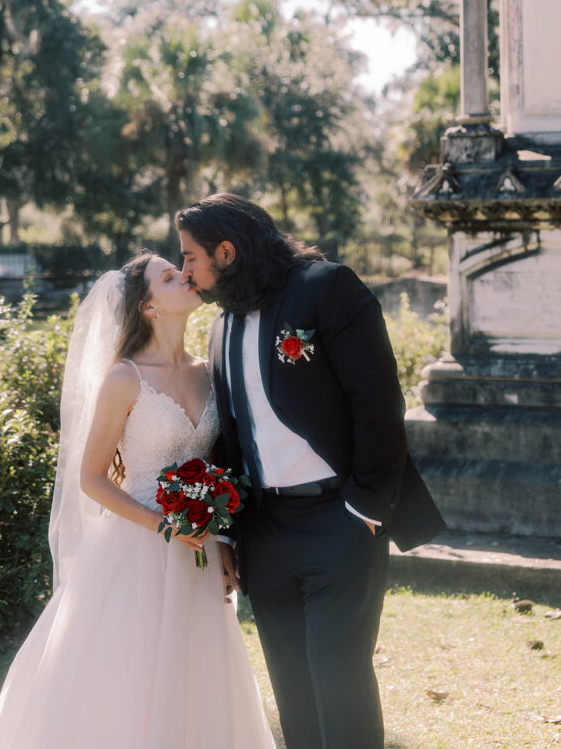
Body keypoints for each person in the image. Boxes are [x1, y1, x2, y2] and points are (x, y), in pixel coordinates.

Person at [0, 253, 276, 749]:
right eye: (169, 276)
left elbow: (222, 464)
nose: (186, 277)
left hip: (198, 550)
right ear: (149, 308)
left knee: (195, 673)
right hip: (134, 551)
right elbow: (92, 478)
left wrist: (219, 537)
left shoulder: (208, 372)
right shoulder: (125, 379)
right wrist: (163, 524)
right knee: (128, 678)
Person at [177, 193, 446, 749]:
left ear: (225, 252)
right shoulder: (221, 327)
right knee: (294, 692)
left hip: (340, 522)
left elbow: (377, 404)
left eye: (189, 257)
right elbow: (230, 437)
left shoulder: (326, 288)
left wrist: (364, 508)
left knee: (339, 683)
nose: (186, 272)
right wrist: (228, 528)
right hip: (265, 531)